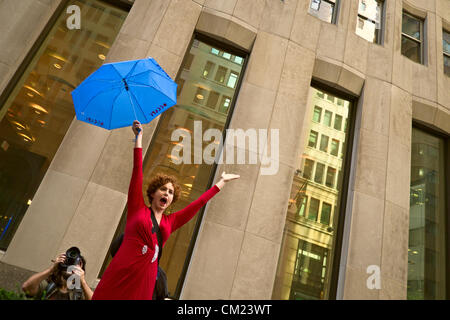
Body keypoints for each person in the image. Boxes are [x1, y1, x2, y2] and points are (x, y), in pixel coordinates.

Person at [92, 120, 240, 300]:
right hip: (121, 271)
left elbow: (198, 203)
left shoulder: (172, 221)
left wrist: (221, 183)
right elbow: (137, 170)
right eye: (163, 189)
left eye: (170, 192)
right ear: (153, 193)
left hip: (144, 278)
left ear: (172, 200)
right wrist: (138, 137)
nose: (167, 194)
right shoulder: (137, 207)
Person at [22, 251, 93, 300]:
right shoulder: (48, 285)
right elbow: (26, 287)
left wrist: (82, 280)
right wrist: (52, 269)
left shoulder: (79, 293)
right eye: (68, 262)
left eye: (74, 264)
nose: (70, 266)